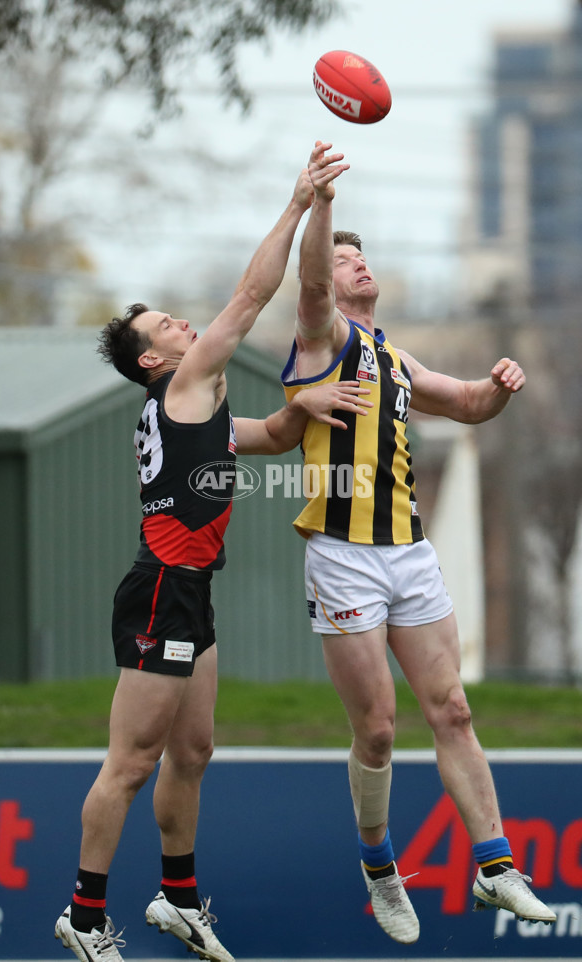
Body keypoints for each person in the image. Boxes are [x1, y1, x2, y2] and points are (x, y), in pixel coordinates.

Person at [54, 162, 372, 962]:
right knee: (130, 763)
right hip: (162, 591)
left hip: (190, 592)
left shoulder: (198, 401)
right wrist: (300, 203)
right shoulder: (186, 383)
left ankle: (179, 899)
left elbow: (260, 439)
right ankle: (84, 918)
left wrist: (302, 407)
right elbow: (249, 298)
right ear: (154, 360)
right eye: (164, 323)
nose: (182, 324)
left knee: (193, 752)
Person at [280, 141, 557, 945]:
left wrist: (499, 389)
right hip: (342, 552)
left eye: (362, 257)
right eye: (344, 259)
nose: (358, 266)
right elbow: (307, 280)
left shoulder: (394, 358)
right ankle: (378, 868)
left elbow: (465, 404)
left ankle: (497, 867)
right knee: (377, 728)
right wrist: (321, 204)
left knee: (455, 708)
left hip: (408, 551)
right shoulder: (320, 337)